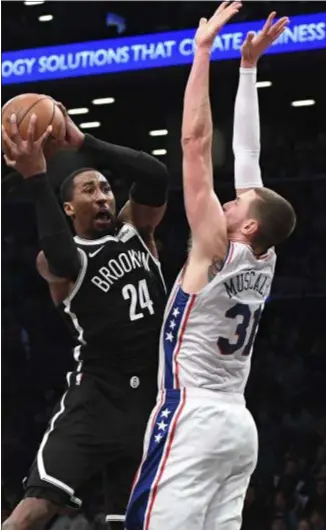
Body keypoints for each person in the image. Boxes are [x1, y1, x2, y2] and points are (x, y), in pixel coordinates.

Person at [125, 4, 295, 530]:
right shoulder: (263, 254)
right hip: (238, 429)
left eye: (238, 204)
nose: (228, 202)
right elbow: (249, 155)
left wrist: (202, 53)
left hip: (192, 417)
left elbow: (196, 146)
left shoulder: (216, 247)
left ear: (246, 226)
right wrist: (247, 69)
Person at [1, 106, 169, 530]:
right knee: (34, 510)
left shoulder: (138, 231)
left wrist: (84, 143)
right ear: (69, 210)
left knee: (130, 523)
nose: (103, 197)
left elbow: (155, 175)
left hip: (150, 401)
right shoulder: (58, 261)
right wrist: (37, 178)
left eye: (107, 189)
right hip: (96, 398)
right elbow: (60, 256)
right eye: (89, 191)